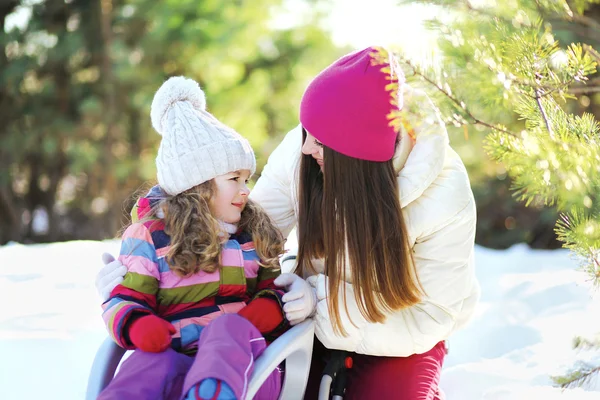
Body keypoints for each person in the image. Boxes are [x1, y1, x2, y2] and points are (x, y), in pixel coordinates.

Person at [97, 46, 479, 399]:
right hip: (313, 323)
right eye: (306, 132)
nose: (307, 147)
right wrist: (149, 251)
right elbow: (238, 231)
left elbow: (428, 316)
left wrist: (319, 300)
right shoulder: (305, 152)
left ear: (355, 153)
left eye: (320, 140)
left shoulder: (443, 194)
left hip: (401, 332)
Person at [97, 76, 316, 400]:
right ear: (197, 184)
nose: (245, 189)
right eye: (234, 178)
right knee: (149, 363)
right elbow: (124, 299)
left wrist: (266, 311)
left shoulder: (250, 236)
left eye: (247, 178)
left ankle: (214, 393)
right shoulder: (149, 237)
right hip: (177, 362)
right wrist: (138, 324)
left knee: (226, 330)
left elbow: (271, 288)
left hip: (248, 372)